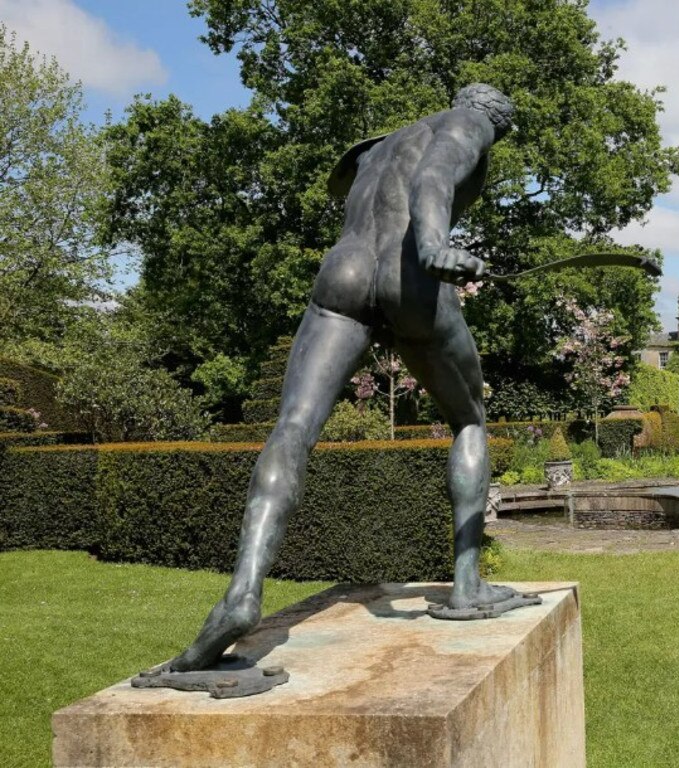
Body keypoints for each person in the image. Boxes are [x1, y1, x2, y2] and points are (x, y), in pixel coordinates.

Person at [170, 83, 529, 673]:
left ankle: (242, 593)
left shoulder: (381, 146)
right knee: (469, 420)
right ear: (497, 117)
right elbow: (434, 179)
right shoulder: (472, 124)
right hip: (407, 274)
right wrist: (435, 241)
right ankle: (467, 583)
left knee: (292, 428)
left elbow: (358, 179)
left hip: (344, 270)